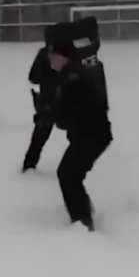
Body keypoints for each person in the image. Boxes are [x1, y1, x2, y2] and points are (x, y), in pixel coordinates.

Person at [49, 38, 112, 231]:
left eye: (53, 57)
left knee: (67, 174)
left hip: (92, 135)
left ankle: (83, 221)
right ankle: (84, 212)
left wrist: (53, 114)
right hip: (90, 135)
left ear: (63, 57)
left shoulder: (73, 78)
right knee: (71, 174)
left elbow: (77, 110)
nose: (50, 61)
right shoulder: (69, 75)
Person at [22, 45, 59, 172]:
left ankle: (29, 166)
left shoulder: (44, 53)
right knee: (78, 136)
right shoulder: (72, 51)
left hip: (48, 101)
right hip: (67, 100)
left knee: (39, 137)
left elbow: (33, 78)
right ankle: (76, 167)